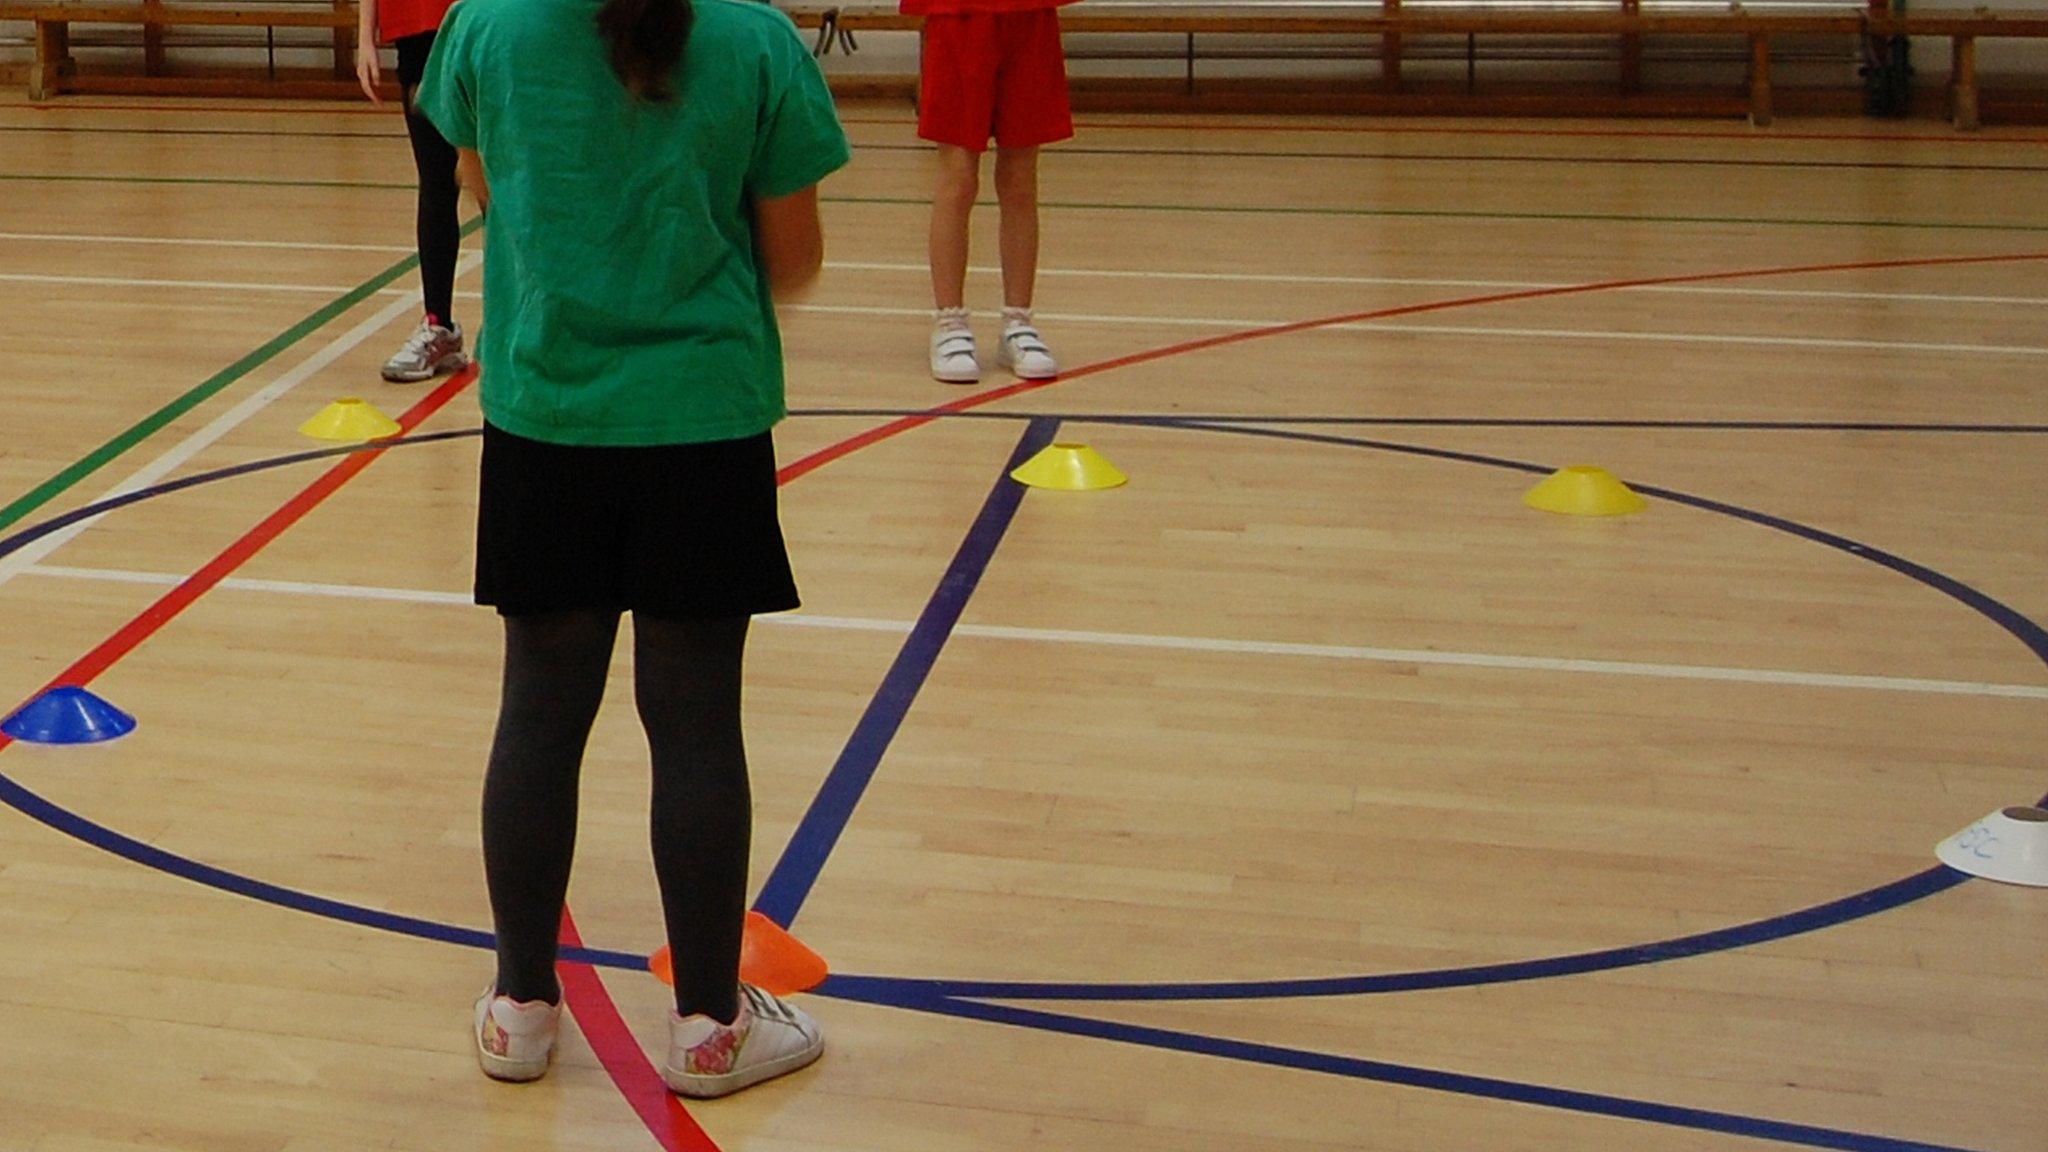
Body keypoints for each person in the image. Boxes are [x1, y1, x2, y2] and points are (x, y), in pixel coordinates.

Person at [414, 0, 850, 1099]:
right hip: (702, 421)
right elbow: (792, 258)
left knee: (539, 710)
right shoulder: (753, 39)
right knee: (697, 719)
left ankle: (519, 1009)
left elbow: (482, 183)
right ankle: (708, 1026)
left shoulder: (486, 29)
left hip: (544, 417)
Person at [906, 0, 1078, 383]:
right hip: (959, 16)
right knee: (959, 176)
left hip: (1028, 15)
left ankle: (1018, 321)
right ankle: (949, 322)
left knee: (1020, 181)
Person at [354, 0, 471, 384]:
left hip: (479, 22)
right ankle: (439, 326)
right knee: (437, 184)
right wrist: (365, 38)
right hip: (416, 32)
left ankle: (517, 326)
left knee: (499, 185)